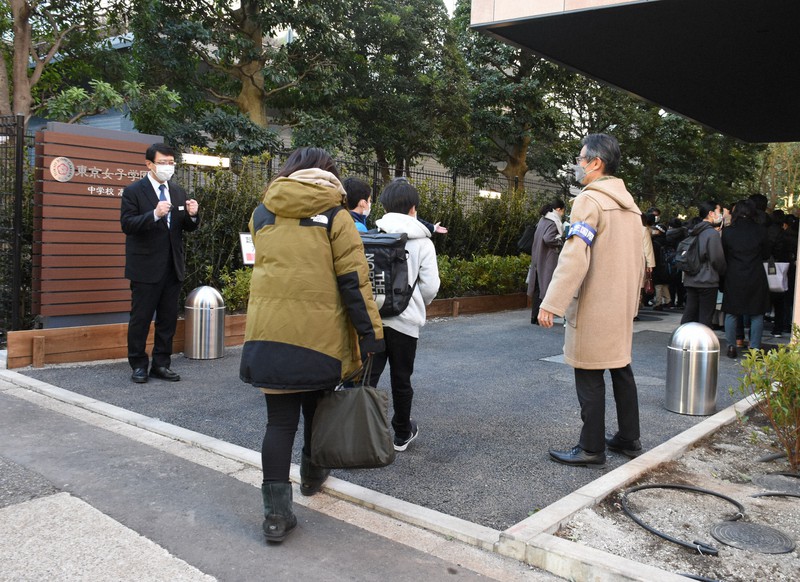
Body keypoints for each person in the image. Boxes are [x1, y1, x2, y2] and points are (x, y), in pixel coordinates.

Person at [239, 147, 384, 543]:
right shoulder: (336, 216)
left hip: (268, 335)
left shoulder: (262, 213)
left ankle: (275, 516)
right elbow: (354, 281)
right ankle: (311, 476)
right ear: (330, 175)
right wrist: (371, 334)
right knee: (316, 412)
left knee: (279, 422)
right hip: (319, 338)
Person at [538, 134, 643, 467]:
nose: (578, 165)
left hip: (595, 304)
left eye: (581, 159)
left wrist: (551, 302)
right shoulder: (631, 206)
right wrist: (633, 305)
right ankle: (629, 437)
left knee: (588, 372)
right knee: (621, 369)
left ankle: (591, 448)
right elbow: (640, 260)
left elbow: (574, 256)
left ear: (596, 163)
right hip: (621, 305)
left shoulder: (589, 201)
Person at [367, 177, 440, 452]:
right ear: (413, 208)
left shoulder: (374, 234)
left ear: (384, 207)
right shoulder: (423, 241)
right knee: (401, 377)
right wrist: (420, 302)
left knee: (368, 378)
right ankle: (401, 433)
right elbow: (430, 285)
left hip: (373, 318)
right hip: (405, 321)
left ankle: (362, 429)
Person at [120, 143, 200, 384]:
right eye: (163, 162)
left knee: (167, 319)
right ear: (149, 164)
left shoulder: (177, 191)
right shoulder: (134, 191)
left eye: (171, 162)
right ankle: (138, 364)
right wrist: (154, 214)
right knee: (141, 319)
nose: (168, 167)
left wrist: (193, 215)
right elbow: (127, 225)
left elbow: (186, 227)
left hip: (171, 265)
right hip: (145, 267)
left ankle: (161, 364)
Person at [721, 199, 771, 357]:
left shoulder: (728, 231)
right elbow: (765, 254)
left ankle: (731, 346)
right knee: (757, 313)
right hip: (755, 274)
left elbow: (724, 254)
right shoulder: (761, 230)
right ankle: (755, 348)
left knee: (731, 312)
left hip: (734, 274)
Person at [679, 201, 726, 328]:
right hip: (707, 280)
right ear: (711, 213)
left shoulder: (694, 230)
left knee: (690, 312)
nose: (720, 214)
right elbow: (717, 259)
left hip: (690, 278)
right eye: (718, 211)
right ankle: (702, 344)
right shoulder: (712, 234)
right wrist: (723, 272)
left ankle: (682, 339)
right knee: (705, 316)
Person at [527, 199, 565, 324]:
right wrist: (559, 241)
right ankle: (542, 318)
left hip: (537, 257)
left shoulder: (543, 220)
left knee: (538, 286)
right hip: (547, 258)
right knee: (546, 287)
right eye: (563, 211)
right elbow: (548, 238)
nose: (562, 214)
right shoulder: (553, 222)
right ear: (558, 209)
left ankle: (534, 317)